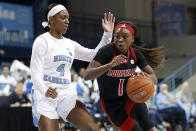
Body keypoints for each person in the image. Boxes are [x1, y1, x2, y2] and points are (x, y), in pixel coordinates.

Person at [30, 3, 115, 131]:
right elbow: (35, 73)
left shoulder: (70, 44)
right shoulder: (42, 41)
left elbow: (94, 55)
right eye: (63, 17)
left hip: (65, 94)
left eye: (68, 18)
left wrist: (107, 35)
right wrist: (44, 90)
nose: (67, 21)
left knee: (93, 128)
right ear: (51, 19)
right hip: (45, 95)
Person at [84, 21, 165, 131]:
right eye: (117, 36)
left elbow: (154, 78)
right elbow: (87, 75)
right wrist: (109, 65)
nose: (120, 40)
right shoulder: (107, 51)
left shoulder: (135, 54)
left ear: (132, 39)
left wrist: (144, 77)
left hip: (130, 97)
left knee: (147, 124)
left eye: (125, 37)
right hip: (111, 103)